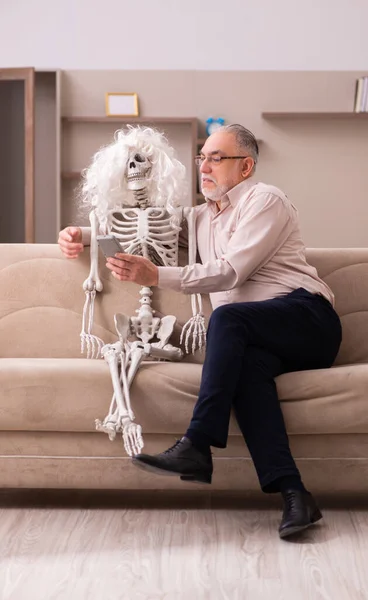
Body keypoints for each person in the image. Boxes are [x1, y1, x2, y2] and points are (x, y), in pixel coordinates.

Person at [58, 124, 342, 539]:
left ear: (245, 167)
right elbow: (133, 225)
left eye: (216, 158)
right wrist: (78, 237)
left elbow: (229, 272)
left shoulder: (266, 200)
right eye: (201, 157)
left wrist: (157, 276)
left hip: (307, 320)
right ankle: (295, 495)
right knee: (246, 376)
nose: (204, 167)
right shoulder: (200, 218)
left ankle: (196, 444)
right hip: (260, 337)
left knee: (227, 317)